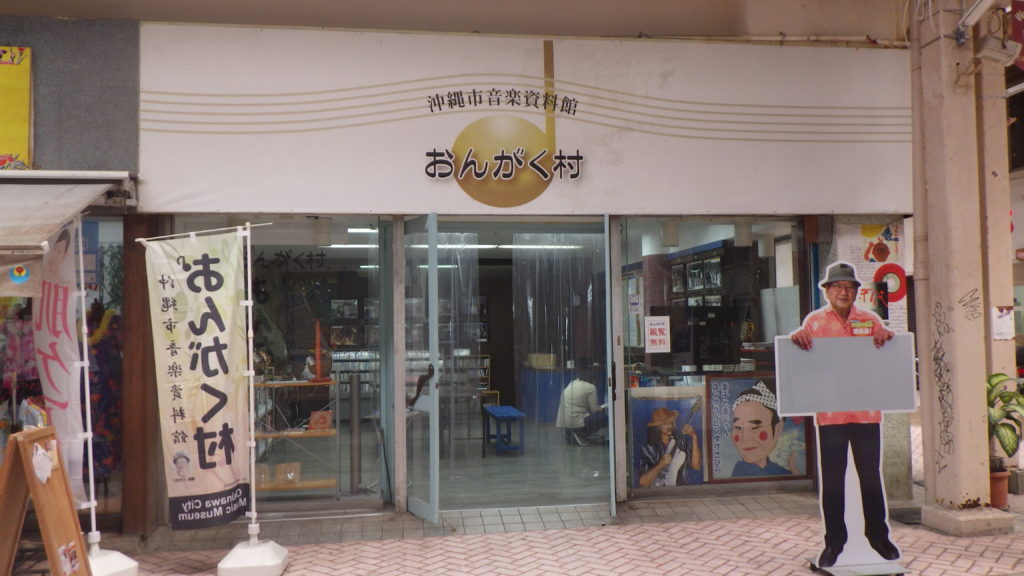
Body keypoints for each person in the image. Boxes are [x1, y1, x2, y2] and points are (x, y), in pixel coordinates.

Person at [790, 261, 899, 567]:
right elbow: (803, 362)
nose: (843, 291)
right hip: (831, 414)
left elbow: (885, 356)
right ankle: (834, 542)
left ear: (856, 292)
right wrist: (796, 339)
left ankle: (878, 536)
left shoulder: (871, 320)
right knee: (833, 478)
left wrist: (886, 338)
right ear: (827, 291)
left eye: (849, 286)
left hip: (866, 412)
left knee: (870, 476)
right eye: (837, 286)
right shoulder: (814, 323)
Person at [730, 380, 795, 477]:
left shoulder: (781, 471)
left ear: (778, 429)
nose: (745, 438)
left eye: (754, 427)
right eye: (738, 427)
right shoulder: (738, 472)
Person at [638, 406, 702, 487]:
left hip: (681, 490)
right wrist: (659, 466)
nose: (669, 426)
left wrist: (694, 437)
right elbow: (642, 483)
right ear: (657, 426)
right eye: (665, 424)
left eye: (671, 422)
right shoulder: (648, 449)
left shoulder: (682, 442)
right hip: (658, 492)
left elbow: (696, 466)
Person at [555, 377, 607, 446]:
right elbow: (594, 409)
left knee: (589, 416)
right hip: (576, 420)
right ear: (594, 380)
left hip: (565, 421)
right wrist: (605, 408)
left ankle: (571, 432)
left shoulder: (572, 383)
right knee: (607, 418)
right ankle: (580, 433)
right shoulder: (591, 387)